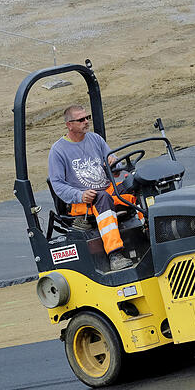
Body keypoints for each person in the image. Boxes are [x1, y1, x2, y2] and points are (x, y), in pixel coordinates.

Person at [48, 105, 137, 271]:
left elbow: (113, 162)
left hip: (107, 190)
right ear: (69, 125)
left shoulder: (95, 139)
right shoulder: (58, 151)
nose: (86, 121)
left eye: (87, 117)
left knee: (135, 183)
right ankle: (115, 254)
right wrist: (80, 195)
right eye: (81, 119)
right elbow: (58, 184)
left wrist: (113, 162)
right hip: (83, 201)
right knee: (102, 198)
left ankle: (150, 233)